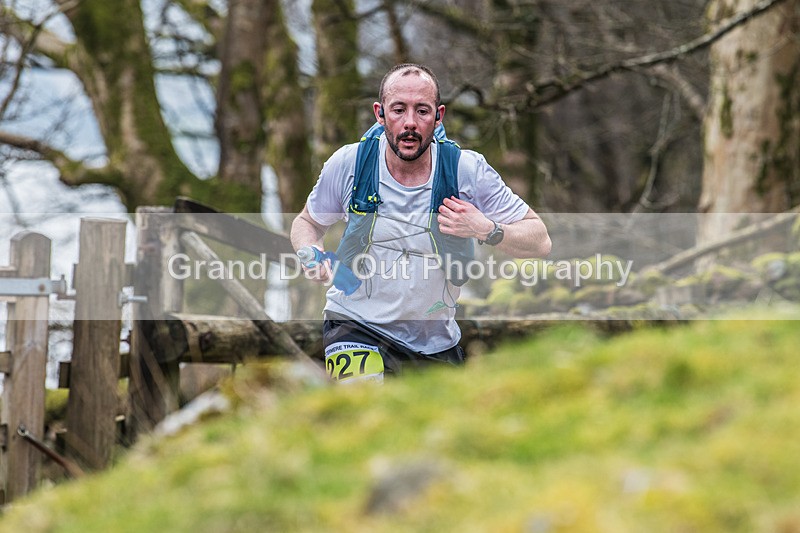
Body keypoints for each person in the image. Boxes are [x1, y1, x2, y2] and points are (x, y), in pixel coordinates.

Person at [291, 63, 551, 384]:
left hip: (436, 342)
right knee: (367, 415)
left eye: (422, 111)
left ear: (439, 116)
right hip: (354, 324)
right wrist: (310, 254)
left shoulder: (465, 169)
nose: (410, 123)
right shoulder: (350, 163)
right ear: (380, 113)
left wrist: (486, 229)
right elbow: (307, 223)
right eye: (398, 110)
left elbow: (540, 240)